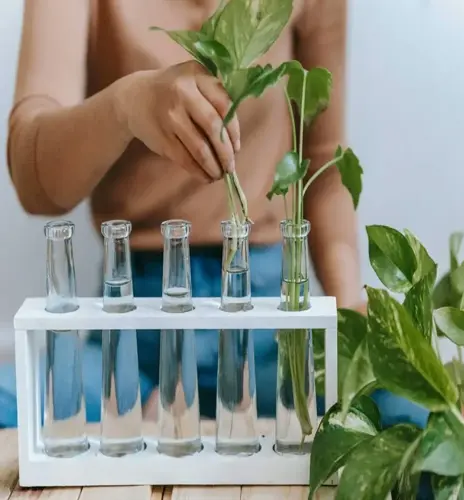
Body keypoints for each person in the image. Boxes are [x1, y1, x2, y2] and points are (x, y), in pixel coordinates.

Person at [2, 0, 368, 428]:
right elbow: (34, 180)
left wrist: (350, 317)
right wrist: (127, 104)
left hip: (273, 328)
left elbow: (323, 167)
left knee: (403, 416)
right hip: (136, 333)